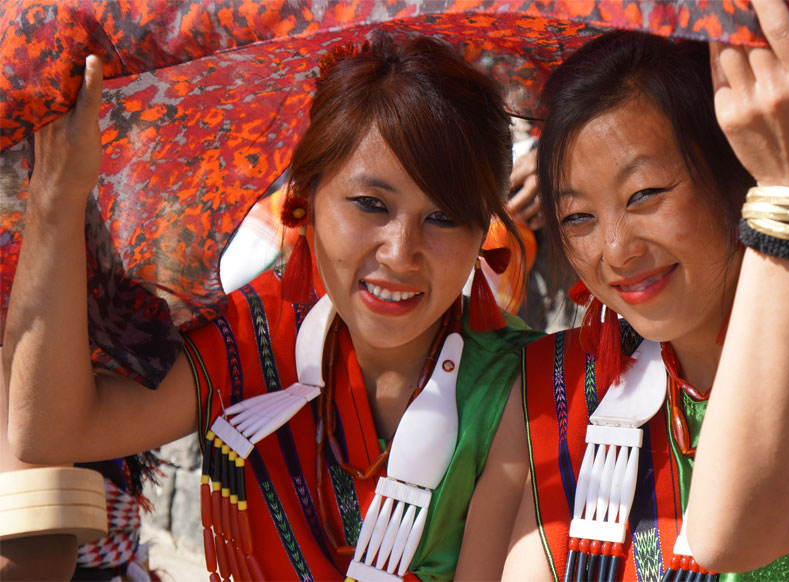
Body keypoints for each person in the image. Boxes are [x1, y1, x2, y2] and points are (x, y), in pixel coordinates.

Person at [4, 34, 541, 581]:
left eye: (443, 218)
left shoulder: (528, 389)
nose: (400, 254)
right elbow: (52, 433)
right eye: (370, 204)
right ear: (305, 198)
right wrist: (56, 200)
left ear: (483, 231)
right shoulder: (255, 337)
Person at [503, 0, 789, 580]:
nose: (616, 251)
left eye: (645, 194)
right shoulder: (566, 390)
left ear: (740, 174)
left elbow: (732, 532)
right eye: (577, 217)